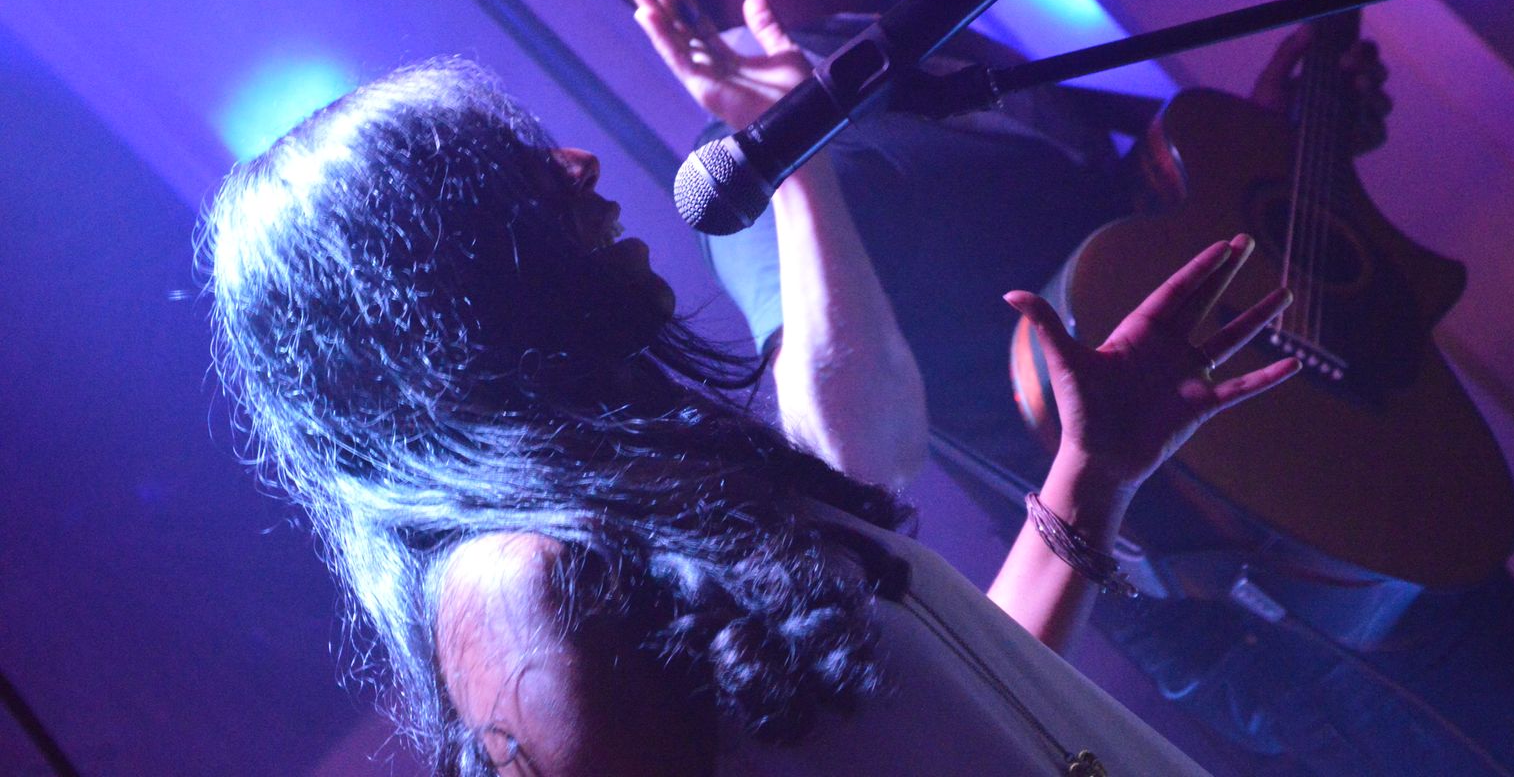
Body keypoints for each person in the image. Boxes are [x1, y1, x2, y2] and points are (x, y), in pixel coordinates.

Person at [575, 0, 1514, 776]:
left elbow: (1120, 250)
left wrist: (1259, 155)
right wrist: (794, 170)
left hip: (1347, 463)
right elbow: (847, 451)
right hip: (1276, 603)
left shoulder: (940, 51)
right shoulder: (757, 170)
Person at [204, 59, 1297, 775]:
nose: (577, 163)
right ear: (437, 281)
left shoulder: (664, 495)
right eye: (511, 171)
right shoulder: (514, 580)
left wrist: (1092, 472)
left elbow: (969, 705)